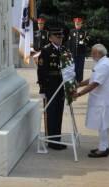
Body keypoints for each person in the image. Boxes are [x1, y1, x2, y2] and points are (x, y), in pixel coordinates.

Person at [73, 44, 109, 158]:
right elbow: (92, 78)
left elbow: (95, 83)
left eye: (93, 53)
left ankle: (103, 149)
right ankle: (103, 146)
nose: (91, 55)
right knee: (103, 125)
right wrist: (79, 84)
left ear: (99, 53)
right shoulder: (102, 62)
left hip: (102, 101)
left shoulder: (103, 65)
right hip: (101, 99)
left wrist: (79, 94)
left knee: (103, 125)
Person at [37, 21, 67, 150]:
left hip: (61, 85)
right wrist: (42, 88)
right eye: (57, 36)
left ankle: (57, 139)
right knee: (51, 112)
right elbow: (41, 70)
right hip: (50, 86)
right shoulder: (46, 50)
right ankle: (51, 141)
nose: (60, 38)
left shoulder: (64, 49)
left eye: (61, 36)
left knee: (59, 111)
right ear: (51, 38)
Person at [67, 17, 90, 83]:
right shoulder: (72, 31)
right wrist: (69, 51)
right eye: (76, 23)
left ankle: (79, 80)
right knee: (74, 67)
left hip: (81, 53)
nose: (77, 25)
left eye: (79, 23)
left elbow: (87, 41)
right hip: (73, 53)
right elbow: (69, 42)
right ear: (74, 24)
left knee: (80, 67)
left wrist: (84, 42)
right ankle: (74, 79)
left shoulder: (84, 32)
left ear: (81, 24)